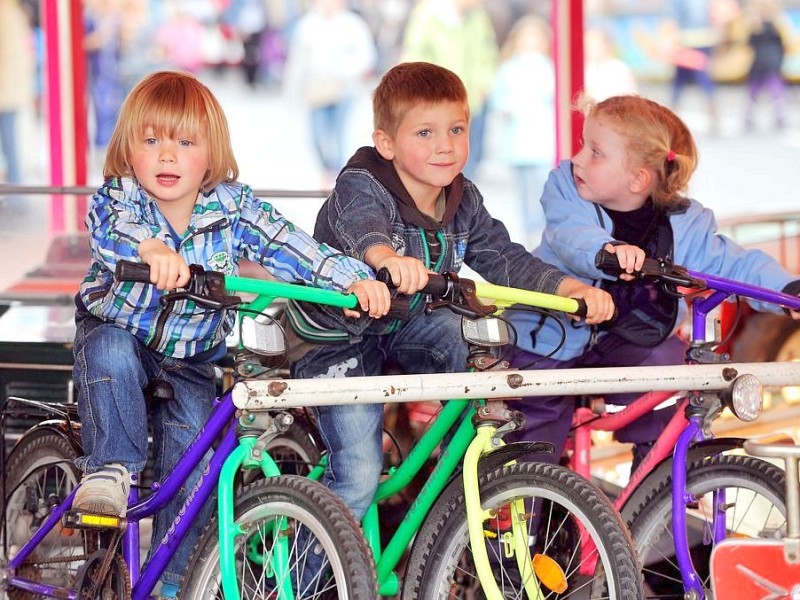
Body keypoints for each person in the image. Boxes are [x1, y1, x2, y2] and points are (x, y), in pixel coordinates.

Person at [70, 70, 390, 598]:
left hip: (191, 354)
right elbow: (115, 234)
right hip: (120, 328)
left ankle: (172, 584)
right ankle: (109, 470)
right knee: (110, 352)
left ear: (212, 154)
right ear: (129, 150)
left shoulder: (234, 207)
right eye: (152, 142)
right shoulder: (120, 198)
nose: (167, 157)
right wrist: (153, 252)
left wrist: (353, 278)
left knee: (193, 470)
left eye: (185, 143)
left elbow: (292, 246)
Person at [284, 62, 615, 525]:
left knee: (476, 340)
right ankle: (310, 582)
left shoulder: (464, 198)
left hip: (407, 325)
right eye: (424, 133)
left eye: (456, 129)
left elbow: (504, 257)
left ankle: (467, 474)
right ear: (386, 143)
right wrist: (387, 260)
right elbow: (366, 232)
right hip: (338, 336)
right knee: (358, 476)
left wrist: (572, 288)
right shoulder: (360, 185)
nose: (444, 146)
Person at [506, 93, 800, 471]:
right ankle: (518, 512)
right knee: (533, 434)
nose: (578, 158)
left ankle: (656, 486)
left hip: (630, 339)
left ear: (638, 178)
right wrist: (607, 250)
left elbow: (732, 262)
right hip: (548, 341)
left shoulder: (684, 224)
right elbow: (570, 235)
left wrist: (785, 291)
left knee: (669, 374)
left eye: (595, 151)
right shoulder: (565, 190)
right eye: (584, 145)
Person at [282, 0, 377, 186]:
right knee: (317, 137)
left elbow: (366, 56)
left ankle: (337, 177)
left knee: (337, 137)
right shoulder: (307, 25)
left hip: (344, 90)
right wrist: (291, 92)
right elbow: (297, 62)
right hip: (316, 91)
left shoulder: (353, 24)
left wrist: (342, 71)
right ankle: (327, 169)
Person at [401, 0, 498, 180]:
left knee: (469, 155)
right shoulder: (427, 13)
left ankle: (462, 199)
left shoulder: (478, 16)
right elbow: (415, 53)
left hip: (472, 99)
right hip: (437, 99)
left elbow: (489, 52)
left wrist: (485, 83)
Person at [489, 14, 554, 248]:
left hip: (543, 141)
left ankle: (541, 231)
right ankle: (530, 232)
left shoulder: (550, 68)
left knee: (542, 191)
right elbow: (499, 100)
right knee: (525, 193)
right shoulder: (509, 68)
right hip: (518, 142)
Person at [0, 0, 35, 184]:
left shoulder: (5, 13)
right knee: (9, 144)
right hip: (11, 91)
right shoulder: (16, 12)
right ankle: (14, 189)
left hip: (5, 92)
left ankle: (14, 191)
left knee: (8, 144)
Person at [744, 0, 788, 131]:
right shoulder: (778, 26)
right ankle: (780, 115)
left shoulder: (756, 27)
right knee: (776, 90)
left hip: (759, 62)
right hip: (773, 62)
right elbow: (783, 44)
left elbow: (749, 44)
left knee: (753, 91)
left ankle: (748, 116)